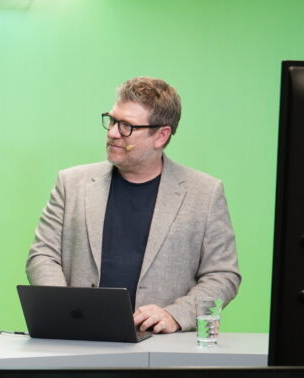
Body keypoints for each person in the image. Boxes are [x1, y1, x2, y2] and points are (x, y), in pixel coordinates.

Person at [26, 76, 241, 333]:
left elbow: (223, 275)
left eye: (127, 126)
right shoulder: (71, 183)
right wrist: (64, 311)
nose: (113, 133)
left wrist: (176, 315)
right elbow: (43, 256)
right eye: (113, 120)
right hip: (78, 341)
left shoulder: (205, 193)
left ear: (161, 136)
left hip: (161, 350)